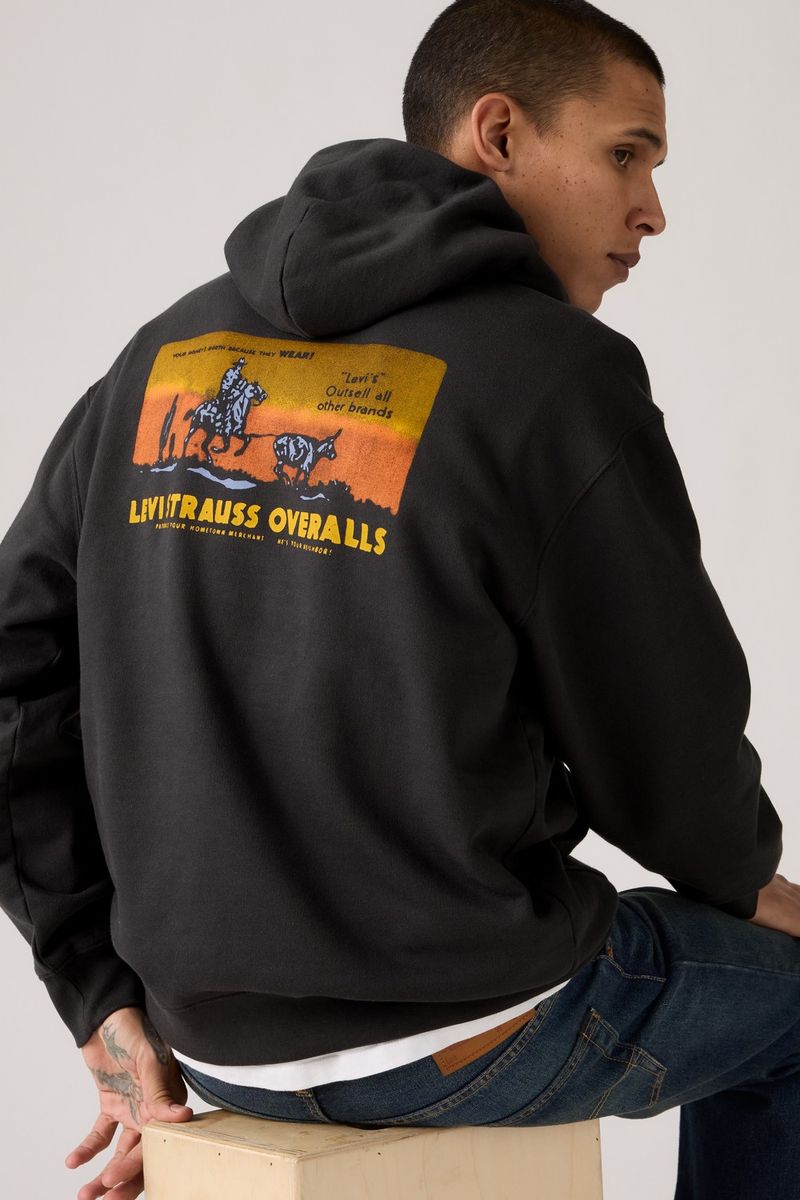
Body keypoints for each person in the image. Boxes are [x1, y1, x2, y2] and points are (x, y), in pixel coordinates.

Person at [0, 2, 797, 1198]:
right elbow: (653, 727)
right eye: (625, 153)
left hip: (211, 1042)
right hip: (472, 1017)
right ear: (498, 133)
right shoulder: (554, 373)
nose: (650, 210)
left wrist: (94, 992)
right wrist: (742, 877)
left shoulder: (166, 356)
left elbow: (13, 670)